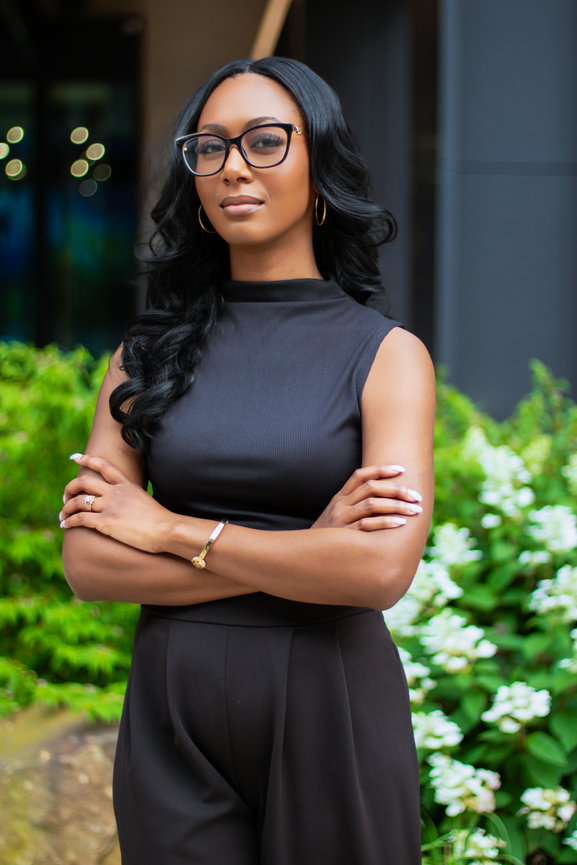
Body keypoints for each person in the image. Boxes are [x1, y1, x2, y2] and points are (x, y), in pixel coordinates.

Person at [61, 56, 435, 865]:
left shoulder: (387, 356)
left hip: (330, 705)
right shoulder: (142, 357)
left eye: (265, 141)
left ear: (318, 162)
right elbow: (90, 563)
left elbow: (378, 571)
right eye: (210, 147)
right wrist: (309, 550)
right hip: (172, 717)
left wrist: (167, 529)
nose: (233, 166)